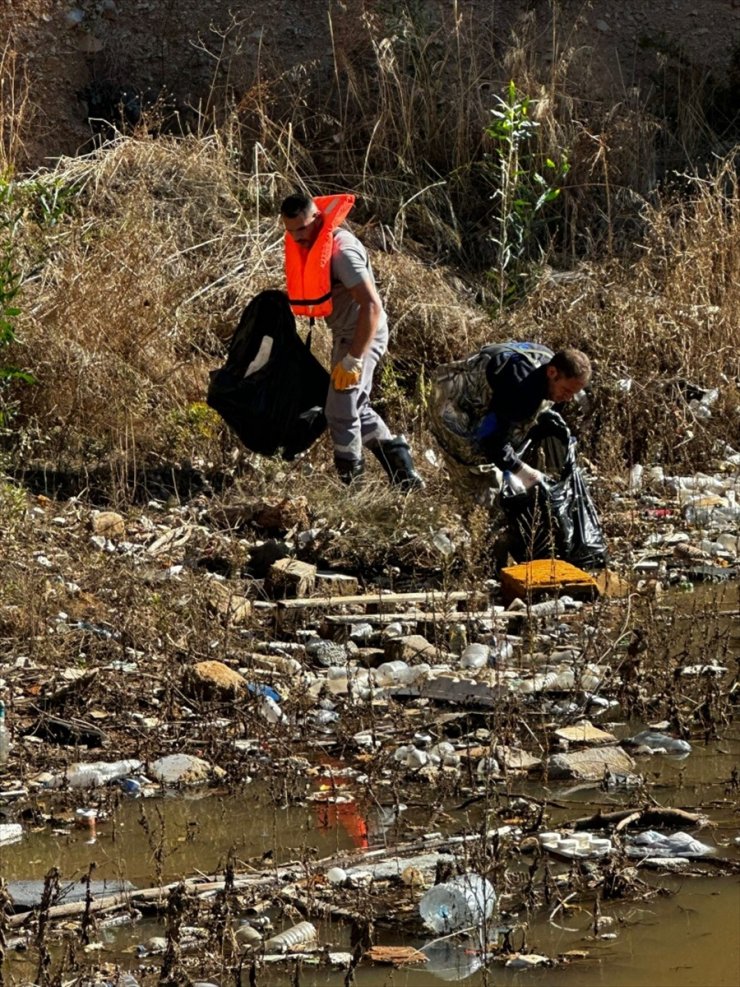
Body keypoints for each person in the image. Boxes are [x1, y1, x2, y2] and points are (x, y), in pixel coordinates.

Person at [280, 192, 424, 491]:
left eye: (303, 229)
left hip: (363, 333)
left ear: (318, 218)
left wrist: (354, 359)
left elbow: (372, 307)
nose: (298, 238)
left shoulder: (342, 253)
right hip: (344, 335)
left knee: (340, 411)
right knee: (356, 406)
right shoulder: (308, 241)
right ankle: (406, 477)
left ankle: (353, 491)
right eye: (291, 231)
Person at [429, 342, 592, 507]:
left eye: (574, 393)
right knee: (475, 461)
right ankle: (470, 510)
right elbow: (490, 440)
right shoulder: (520, 391)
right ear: (552, 372)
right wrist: (523, 472)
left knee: (521, 426)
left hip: (495, 389)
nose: (569, 398)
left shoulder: (552, 363)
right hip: (452, 398)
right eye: (566, 391)